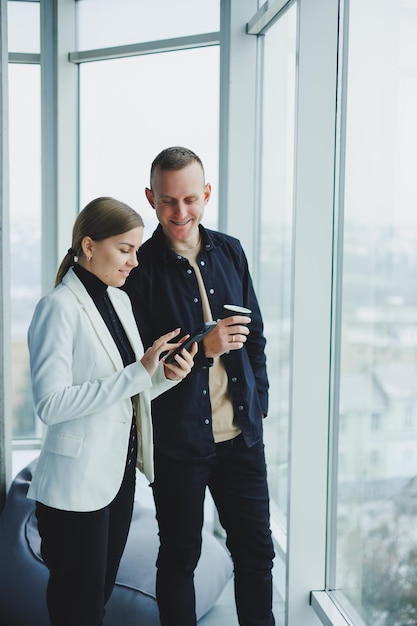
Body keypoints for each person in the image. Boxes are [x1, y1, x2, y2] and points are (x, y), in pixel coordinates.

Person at [26, 196, 197, 626]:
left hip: (116, 480)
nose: (134, 262)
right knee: (77, 609)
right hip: (75, 488)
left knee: (95, 601)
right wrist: (138, 373)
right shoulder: (58, 309)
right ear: (89, 246)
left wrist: (164, 376)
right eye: (125, 249)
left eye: (137, 250)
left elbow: (126, 394)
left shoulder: (119, 302)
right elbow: (51, 404)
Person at [123, 147, 275, 626]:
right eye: (168, 201)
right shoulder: (138, 269)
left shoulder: (231, 251)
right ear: (150, 198)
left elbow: (256, 338)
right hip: (178, 445)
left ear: (206, 194)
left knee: (257, 557)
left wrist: (259, 406)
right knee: (179, 560)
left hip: (241, 440)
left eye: (190, 198)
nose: (180, 212)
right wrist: (203, 347)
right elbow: (136, 367)